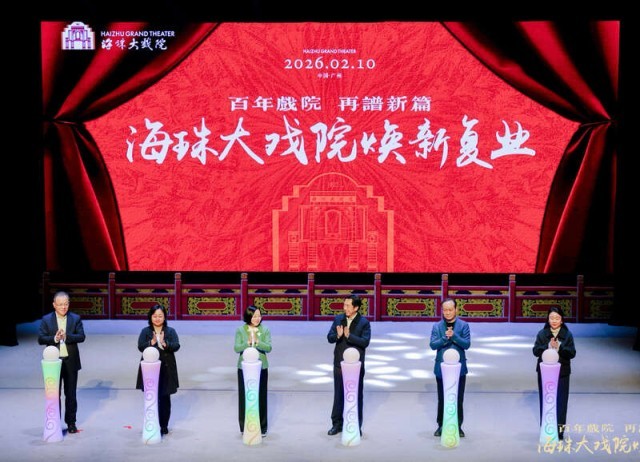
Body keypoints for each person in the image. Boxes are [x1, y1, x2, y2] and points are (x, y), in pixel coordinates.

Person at [38, 290, 86, 434]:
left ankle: (71, 423)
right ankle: (55, 422)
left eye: (66, 304)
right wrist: (55, 338)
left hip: (71, 361)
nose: (63, 307)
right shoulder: (47, 319)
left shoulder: (75, 318)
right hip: (54, 363)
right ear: (54, 305)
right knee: (54, 394)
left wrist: (67, 336)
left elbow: (82, 336)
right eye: (60, 305)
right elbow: (41, 338)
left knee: (71, 394)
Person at [326, 295, 371, 436]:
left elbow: (365, 342)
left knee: (356, 394)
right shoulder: (338, 319)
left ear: (356, 308)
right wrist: (338, 335)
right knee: (338, 394)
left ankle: (356, 424)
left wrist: (349, 336)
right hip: (339, 363)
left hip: (356, 365)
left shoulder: (364, 322)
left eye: (348, 305)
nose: (344, 308)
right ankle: (337, 424)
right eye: (344, 305)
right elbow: (329, 338)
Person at [532, 306, 576, 440]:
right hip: (545, 373)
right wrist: (547, 346)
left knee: (561, 402)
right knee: (545, 401)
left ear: (562, 320)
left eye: (557, 318)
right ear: (548, 319)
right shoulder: (542, 334)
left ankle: (559, 431)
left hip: (562, 373)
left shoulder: (567, 335)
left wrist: (560, 347)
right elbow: (535, 351)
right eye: (551, 318)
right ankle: (546, 429)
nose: (554, 321)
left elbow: (572, 353)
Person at [429, 297, 471, 438]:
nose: (447, 313)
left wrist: (454, 336)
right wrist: (444, 338)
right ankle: (441, 425)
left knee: (458, 398)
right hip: (441, 369)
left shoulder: (463, 325)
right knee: (442, 398)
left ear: (456, 310)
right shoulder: (437, 326)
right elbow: (432, 345)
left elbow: (467, 344)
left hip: (459, 369)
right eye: (445, 310)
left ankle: (458, 426)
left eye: (450, 310)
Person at [136, 304, 180, 436]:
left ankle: (164, 425)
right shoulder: (145, 331)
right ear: (150, 317)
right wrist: (152, 342)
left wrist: (166, 344)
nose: (157, 318)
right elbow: (140, 347)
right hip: (150, 369)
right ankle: (152, 423)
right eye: (154, 316)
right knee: (152, 397)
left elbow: (177, 345)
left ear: (164, 317)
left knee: (165, 398)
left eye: (160, 316)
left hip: (166, 368)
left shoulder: (170, 331)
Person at [234, 305, 272, 437]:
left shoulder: (265, 329)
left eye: (259, 316)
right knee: (244, 397)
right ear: (248, 316)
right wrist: (247, 343)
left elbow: (268, 347)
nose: (257, 318)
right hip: (244, 368)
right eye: (255, 316)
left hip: (261, 367)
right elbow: (236, 348)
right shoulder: (240, 330)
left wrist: (257, 342)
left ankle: (262, 427)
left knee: (261, 397)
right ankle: (244, 426)